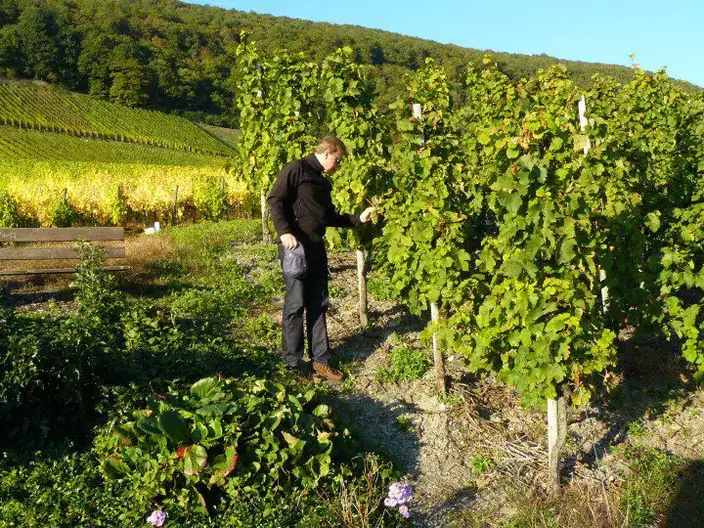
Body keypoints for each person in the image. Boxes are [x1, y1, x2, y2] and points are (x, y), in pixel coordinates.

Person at [267, 136, 375, 382]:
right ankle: (293, 363)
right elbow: (275, 200)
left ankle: (320, 361)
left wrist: (359, 219)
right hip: (295, 248)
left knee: (318, 304)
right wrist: (284, 232)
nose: (339, 165)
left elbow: (329, 217)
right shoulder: (297, 169)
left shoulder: (322, 182)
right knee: (295, 305)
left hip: (316, 247)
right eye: (338, 160)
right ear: (328, 153)